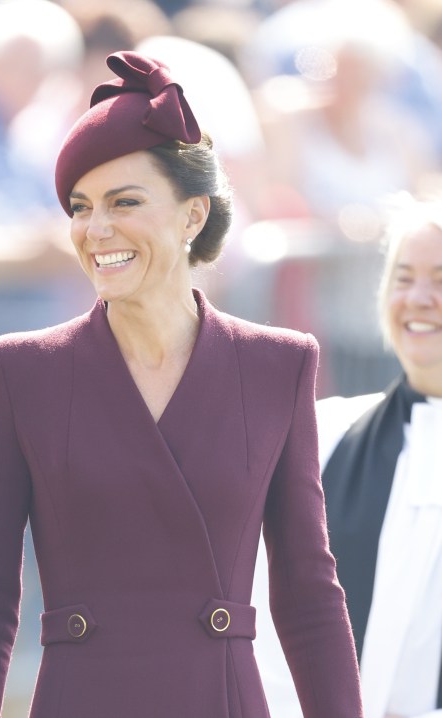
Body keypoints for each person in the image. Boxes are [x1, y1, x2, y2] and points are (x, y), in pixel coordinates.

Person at [0, 50, 363, 717]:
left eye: (124, 202)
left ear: (194, 215)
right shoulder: (21, 368)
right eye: (80, 207)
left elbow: (309, 592)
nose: (95, 229)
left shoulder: (280, 364)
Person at [254, 198, 442, 718]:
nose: (419, 298)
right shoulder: (325, 433)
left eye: (441, 278)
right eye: (404, 278)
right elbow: (271, 630)